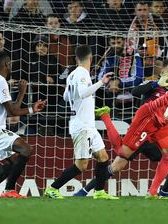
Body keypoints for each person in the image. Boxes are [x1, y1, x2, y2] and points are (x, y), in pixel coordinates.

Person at [79, 78, 168, 198]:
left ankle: (153, 192)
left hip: (161, 124)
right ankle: (105, 116)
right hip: (149, 117)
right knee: (122, 153)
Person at [74, 58, 168, 197]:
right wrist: (155, 84)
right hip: (142, 133)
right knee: (117, 166)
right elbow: (136, 91)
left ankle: (164, 191)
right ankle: (84, 191)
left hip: (160, 137)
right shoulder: (152, 84)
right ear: (162, 71)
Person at [44, 45, 118, 200]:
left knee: (103, 158)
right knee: (82, 165)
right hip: (82, 126)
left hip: (86, 124)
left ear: (77, 58)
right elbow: (84, 93)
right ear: (90, 58)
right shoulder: (83, 73)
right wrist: (101, 82)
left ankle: (98, 192)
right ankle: (52, 188)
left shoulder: (72, 74)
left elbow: (65, 97)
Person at [0, 51, 46, 198]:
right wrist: (23, 95)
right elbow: (13, 112)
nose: (11, 65)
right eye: (10, 63)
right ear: (7, 64)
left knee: (12, 162)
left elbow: (10, 110)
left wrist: (29, 106)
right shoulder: (0, 81)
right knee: (26, 149)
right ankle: (9, 191)